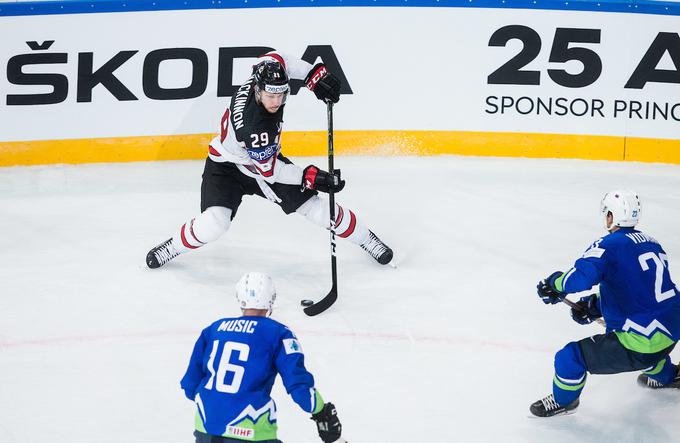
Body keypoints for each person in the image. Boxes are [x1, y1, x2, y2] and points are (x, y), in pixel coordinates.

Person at [146, 51, 392, 269]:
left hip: (260, 161)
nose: (276, 102)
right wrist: (309, 176)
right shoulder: (256, 128)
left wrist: (312, 75)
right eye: (270, 96)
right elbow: (271, 173)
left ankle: (366, 239)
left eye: (281, 95)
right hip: (227, 168)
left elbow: (278, 58)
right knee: (214, 224)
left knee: (316, 209)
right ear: (257, 90)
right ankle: (173, 246)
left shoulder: (262, 73)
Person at [532, 190, 680, 417]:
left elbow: (581, 277)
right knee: (651, 352)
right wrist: (595, 306)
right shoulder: (652, 243)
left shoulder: (609, 244)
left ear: (611, 216)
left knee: (569, 357)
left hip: (642, 342)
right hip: (672, 330)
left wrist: (555, 283)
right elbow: (638, 290)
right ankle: (669, 376)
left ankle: (564, 401)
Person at [180, 272, 345, 443]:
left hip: (204, 431)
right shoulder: (279, 333)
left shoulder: (214, 329)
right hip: (250, 431)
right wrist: (320, 411)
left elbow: (190, 386)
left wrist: (218, 409)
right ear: (271, 299)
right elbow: (299, 387)